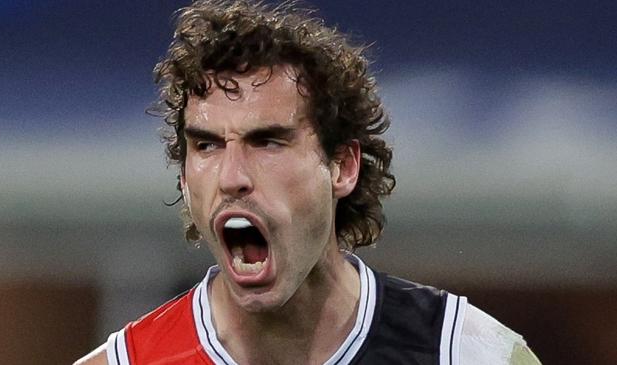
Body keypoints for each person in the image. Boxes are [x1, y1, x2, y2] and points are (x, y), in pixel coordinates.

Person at [75, 1, 541, 364]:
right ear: (183, 175)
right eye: (207, 146)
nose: (232, 177)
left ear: (342, 166)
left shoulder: (465, 354)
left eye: (268, 142)